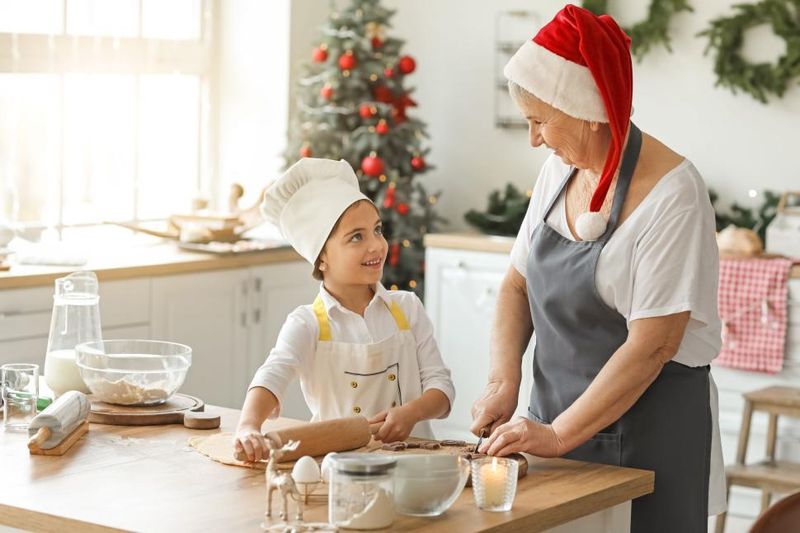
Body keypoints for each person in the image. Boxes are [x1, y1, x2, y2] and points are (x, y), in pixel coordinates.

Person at [469, 5, 725, 532]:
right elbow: (517, 286)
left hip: (648, 438)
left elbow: (653, 343)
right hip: (552, 429)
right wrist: (503, 381)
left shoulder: (673, 194)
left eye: (541, 120)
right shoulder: (559, 171)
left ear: (587, 109)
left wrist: (562, 434)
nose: (534, 139)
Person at [234, 158, 455, 462]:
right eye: (356, 237)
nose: (376, 245)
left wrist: (411, 413)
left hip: (415, 466)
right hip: (340, 471)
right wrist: (248, 426)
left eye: (377, 230)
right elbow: (273, 375)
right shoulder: (307, 324)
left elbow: (442, 391)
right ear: (321, 257)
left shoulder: (407, 309)